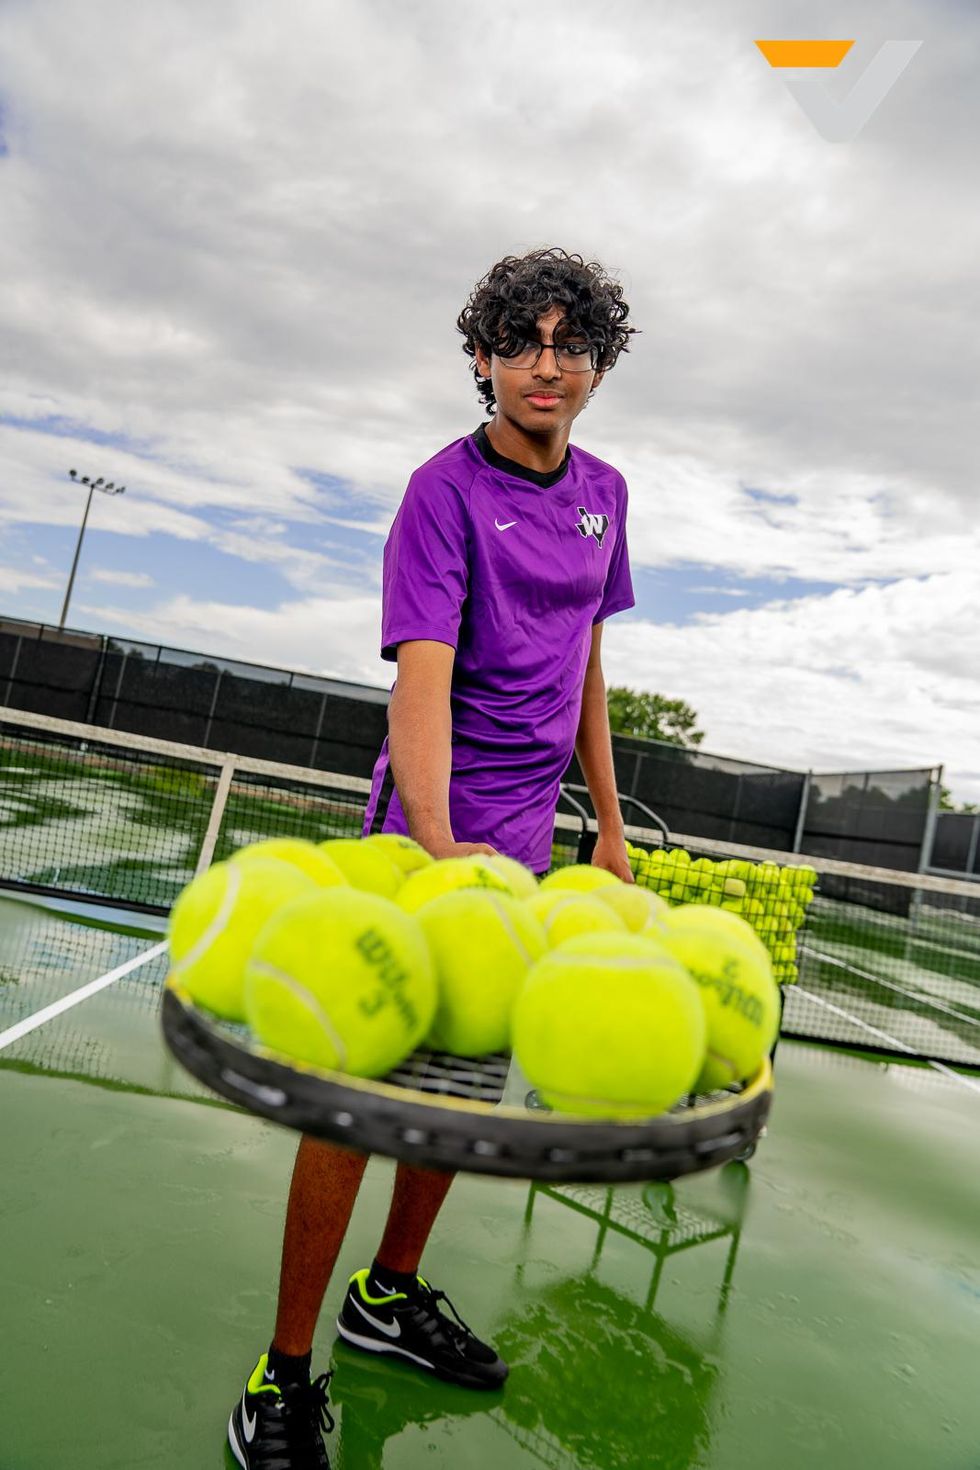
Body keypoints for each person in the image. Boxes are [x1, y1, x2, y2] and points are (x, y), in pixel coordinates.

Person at [228, 246, 638, 1468]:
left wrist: (610, 824)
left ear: (597, 366)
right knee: (358, 1105)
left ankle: (388, 1294)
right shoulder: (440, 493)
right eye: (520, 343)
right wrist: (438, 847)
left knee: (457, 1095)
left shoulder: (606, 493)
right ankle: (282, 1373)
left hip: (522, 858)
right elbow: (421, 677)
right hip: (426, 844)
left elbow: (587, 664)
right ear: (480, 360)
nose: (545, 366)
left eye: (569, 345)